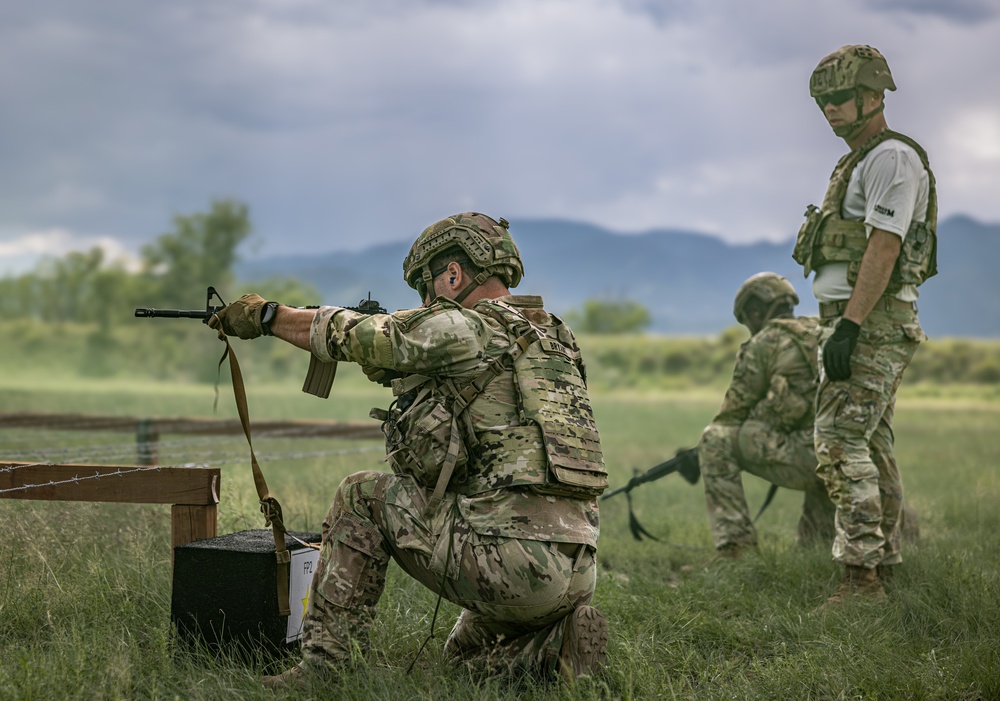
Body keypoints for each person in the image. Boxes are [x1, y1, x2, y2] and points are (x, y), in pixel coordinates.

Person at [210, 213, 609, 687]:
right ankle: (558, 646)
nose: (425, 301)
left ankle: (320, 669)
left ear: (455, 274)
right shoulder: (554, 340)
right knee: (462, 659)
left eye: (427, 286)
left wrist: (268, 316)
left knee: (360, 495)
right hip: (575, 567)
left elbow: (360, 335)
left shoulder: (467, 327)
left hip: (511, 562)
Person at [792, 45, 936, 605]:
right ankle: (885, 566)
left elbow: (885, 243)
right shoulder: (860, 157)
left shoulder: (891, 158)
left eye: (840, 98)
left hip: (871, 321)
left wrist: (851, 325)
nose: (830, 109)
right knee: (871, 445)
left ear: (874, 96)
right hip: (856, 319)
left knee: (837, 440)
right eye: (823, 101)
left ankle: (861, 580)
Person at [699, 272, 835, 556]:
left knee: (714, 441)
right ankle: (821, 543)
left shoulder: (764, 344)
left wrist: (698, 455)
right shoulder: (823, 330)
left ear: (757, 311)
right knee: (815, 548)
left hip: (806, 457)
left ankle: (737, 551)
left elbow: (731, 416)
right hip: (841, 455)